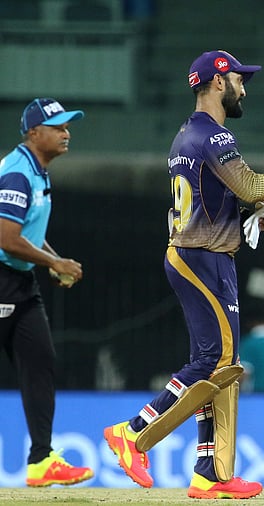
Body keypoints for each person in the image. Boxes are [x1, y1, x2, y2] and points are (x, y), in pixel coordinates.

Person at [103, 50, 264, 499]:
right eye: (240, 80)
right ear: (219, 81)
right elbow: (250, 185)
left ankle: (211, 472)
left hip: (201, 254)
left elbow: (214, 202)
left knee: (221, 366)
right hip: (201, 257)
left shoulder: (187, 133)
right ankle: (133, 432)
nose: (245, 89)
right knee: (216, 361)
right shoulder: (215, 135)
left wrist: (251, 215)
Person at [0, 98, 93, 487]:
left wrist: (54, 260)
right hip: (3, 277)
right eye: (58, 128)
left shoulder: (38, 171)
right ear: (34, 133)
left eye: (67, 127)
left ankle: (41, 460)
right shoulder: (18, 173)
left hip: (20, 281)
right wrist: (55, 263)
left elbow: (27, 231)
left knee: (40, 360)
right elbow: (7, 239)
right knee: (36, 361)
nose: (66, 133)